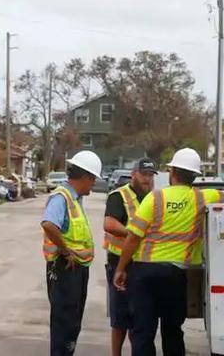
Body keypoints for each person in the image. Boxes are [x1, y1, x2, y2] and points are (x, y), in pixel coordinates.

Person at [114, 148, 224, 356]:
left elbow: (133, 237)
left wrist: (121, 269)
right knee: (172, 331)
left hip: (144, 275)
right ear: (194, 176)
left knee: (143, 332)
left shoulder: (154, 199)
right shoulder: (203, 198)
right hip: (175, 276)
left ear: (172, 172)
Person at [41, 150, 102, 356]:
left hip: (76, 269)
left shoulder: (74, 198)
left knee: (72, 323)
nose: (94, 184)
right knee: (64, 324)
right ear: (84, 177)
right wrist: (66, 251)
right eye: (93, 179)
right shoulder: (62, 197)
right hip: (64, 269)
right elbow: (49, 224)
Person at [103, 158, 157, 356]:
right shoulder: (119, 196)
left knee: (142, 317)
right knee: (120, 318)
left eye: (151, 175)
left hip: (145, 264)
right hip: (121, 264)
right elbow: (108, 223)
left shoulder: (153, 197)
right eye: (144, 175)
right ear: (133, 174)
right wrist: (132, 233)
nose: (147, 179)